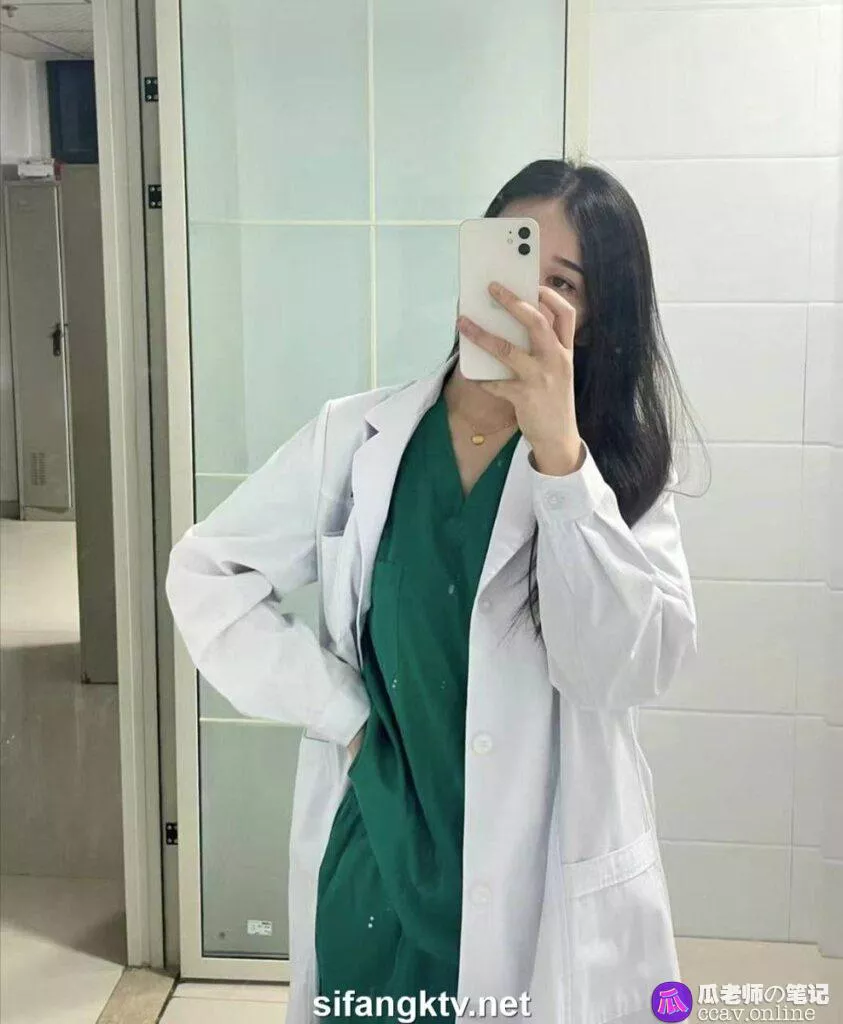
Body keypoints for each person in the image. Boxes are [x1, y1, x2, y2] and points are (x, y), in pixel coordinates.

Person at [166, 159, 701, 1024]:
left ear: (600, 316)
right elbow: (205, 575)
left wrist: (560, 461)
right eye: (508, 257)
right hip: (377, 857)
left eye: (561, 282)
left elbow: (622, 671)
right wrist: (342, 717)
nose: (521, 297)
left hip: (541, 881)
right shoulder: (358, 437)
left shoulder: (618, 473)